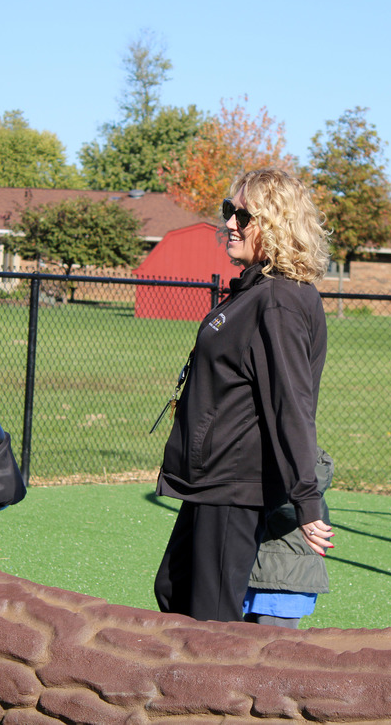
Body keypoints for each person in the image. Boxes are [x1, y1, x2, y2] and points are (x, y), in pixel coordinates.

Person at [154, 167, 334, 622]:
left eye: (243, 215)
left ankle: (213, 693)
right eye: (228, 211)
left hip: (236, 479)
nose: (229, 223)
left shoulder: (278, 301)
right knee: (173, 588)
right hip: (212, 478)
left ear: (275, 224)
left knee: (211, 616)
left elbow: (289, 404)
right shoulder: (253, 292)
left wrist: (307, 501)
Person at [243, 448, 333, 628]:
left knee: (273, 643)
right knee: (249, 638)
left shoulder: (294, 455)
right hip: (267, 566)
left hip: (280, 572)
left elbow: (294, 503)